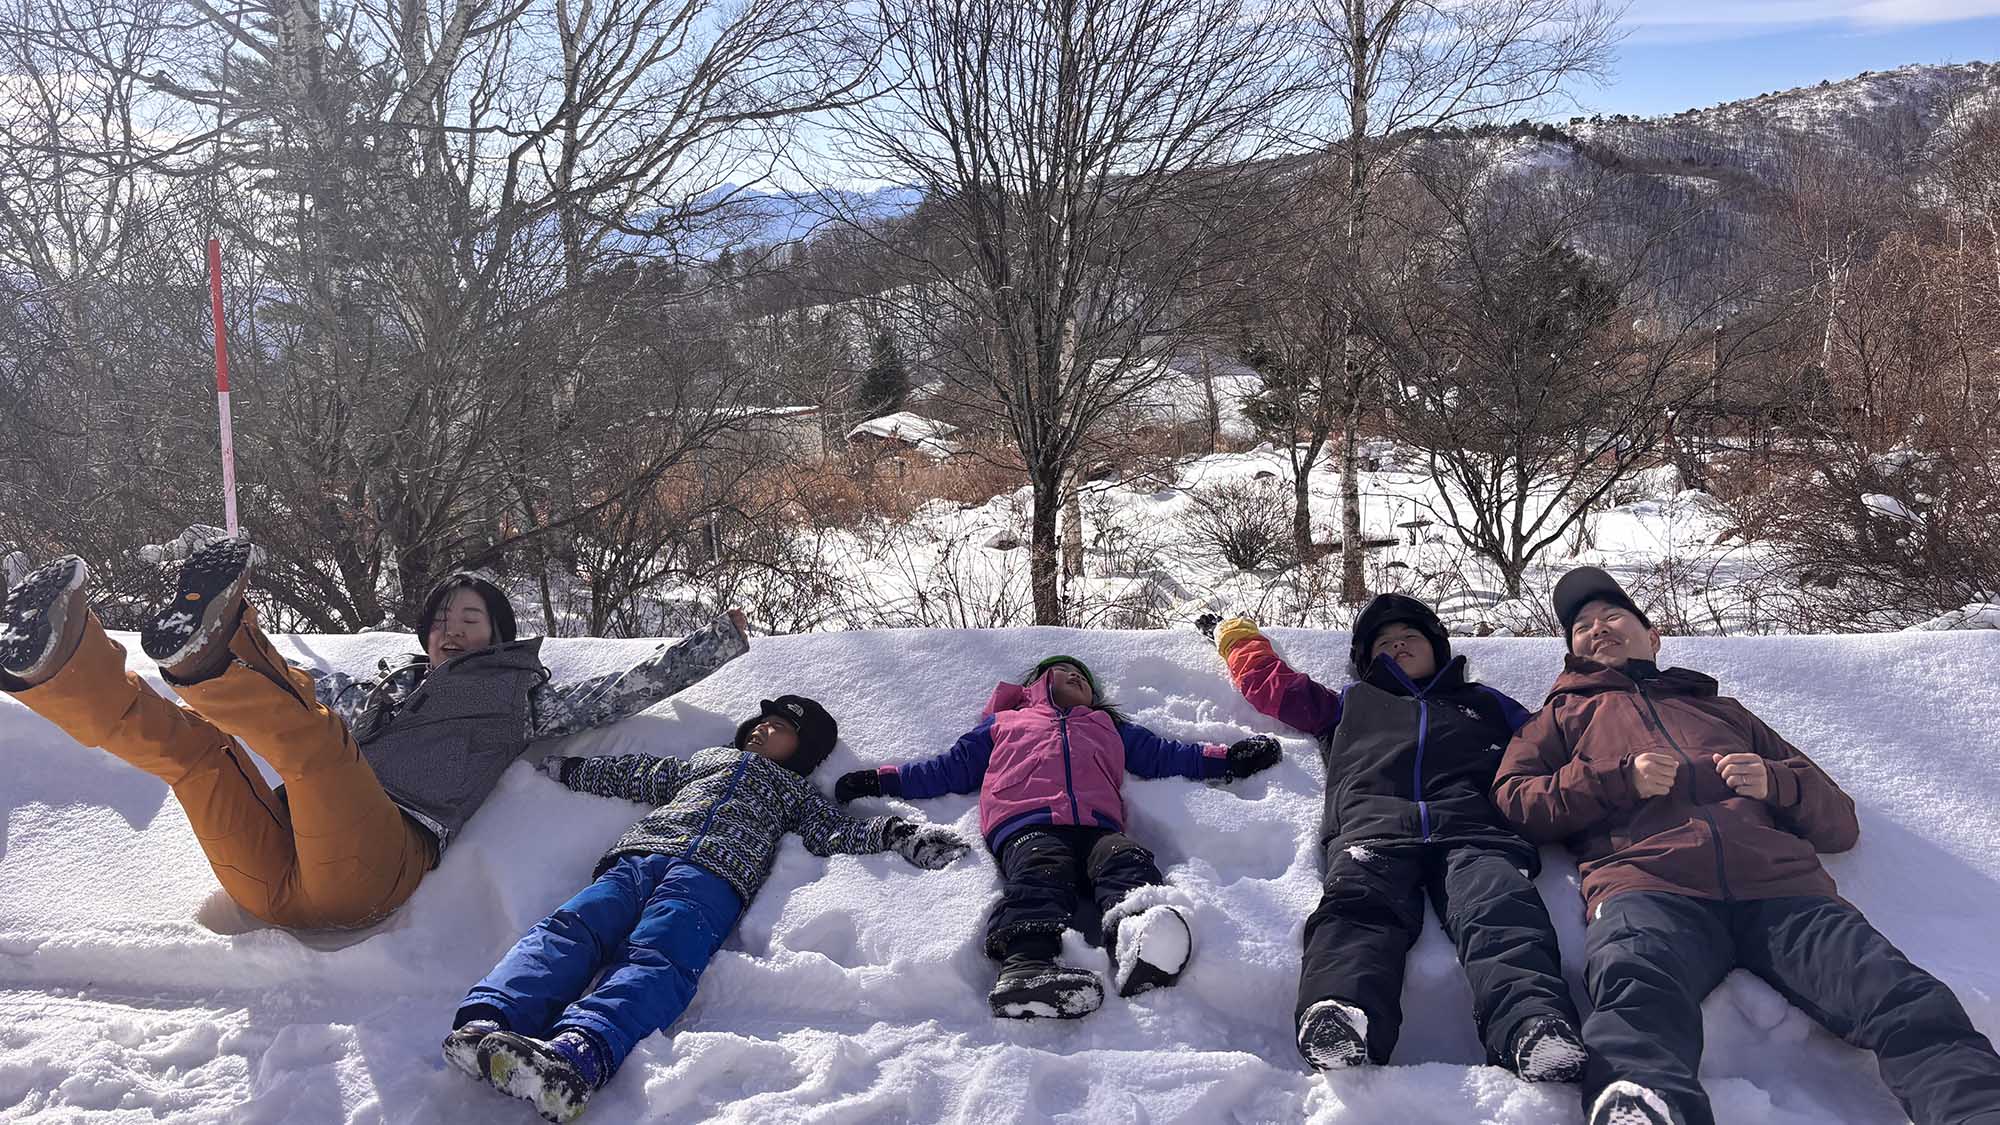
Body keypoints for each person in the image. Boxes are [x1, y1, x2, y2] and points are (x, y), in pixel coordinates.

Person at [0, 537, 749, 929]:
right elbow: (301, 690)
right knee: (201, 753)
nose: (451, 630)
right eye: (441, 620)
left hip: (377, 865)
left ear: (499, 634)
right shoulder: (387, 687)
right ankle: (59, 665)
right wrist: (262, 645)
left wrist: (716, 643)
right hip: (273, 875)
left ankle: (211, 651)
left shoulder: (519, 699)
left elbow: (625, 689)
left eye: (470, 619)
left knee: (319, 749)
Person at [1493, 565, 2000, 1125]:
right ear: (1571, 650)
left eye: (1612, 615)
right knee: (1635, 996)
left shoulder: (1723, 711)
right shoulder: (1559, 719)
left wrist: (1776, 782)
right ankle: (1641, 1104)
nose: (1599, 628)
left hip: (1785, 893)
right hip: (1648, 887)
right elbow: (1516, 802)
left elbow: (1840, 823)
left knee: (1900, 995)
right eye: (1582, 625)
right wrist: (1616, 779)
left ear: (1653, 635)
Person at [442, 694, 969, 1123]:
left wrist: (900, 834)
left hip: (714, 879)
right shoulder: (707, 762)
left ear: (803, 749)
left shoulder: (796, 794)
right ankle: (489, 1019)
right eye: (762, 721)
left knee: (659, 958)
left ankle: (579, 1052)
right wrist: (573, 767)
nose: (764, 729)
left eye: (781, 728)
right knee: (570, 931)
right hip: (640, 857)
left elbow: (835, 830)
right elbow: (640, 774)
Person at [1201, 597, 1584, 1080]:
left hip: (1475, 831)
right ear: (1368, 661)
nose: (1399, 645)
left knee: (1500, 907)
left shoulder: (1485, 704)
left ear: (1438, 649)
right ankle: (1342, 1013)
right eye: (1385, 642)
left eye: (1411, 637)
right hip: (1374, 830)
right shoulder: (1349, 705)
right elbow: (1272, 687)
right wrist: (1235, 637)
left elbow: (1552, 741)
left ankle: (1531, 1023)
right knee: (1357, 910)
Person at [832, 654, 1281, 1019]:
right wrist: (879, 780)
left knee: (1127, 859)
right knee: (1041, 874)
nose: (1074, 676)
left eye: (1083, 676)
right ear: (1038, 684)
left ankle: (1139, 941)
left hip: (1098, 826)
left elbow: (1166, 755)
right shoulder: (1005, 724)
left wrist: (1229, 760)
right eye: (1063, 671)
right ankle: (1026, 965)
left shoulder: (1108, 727)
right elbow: (946, 770)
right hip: (1027, 823)